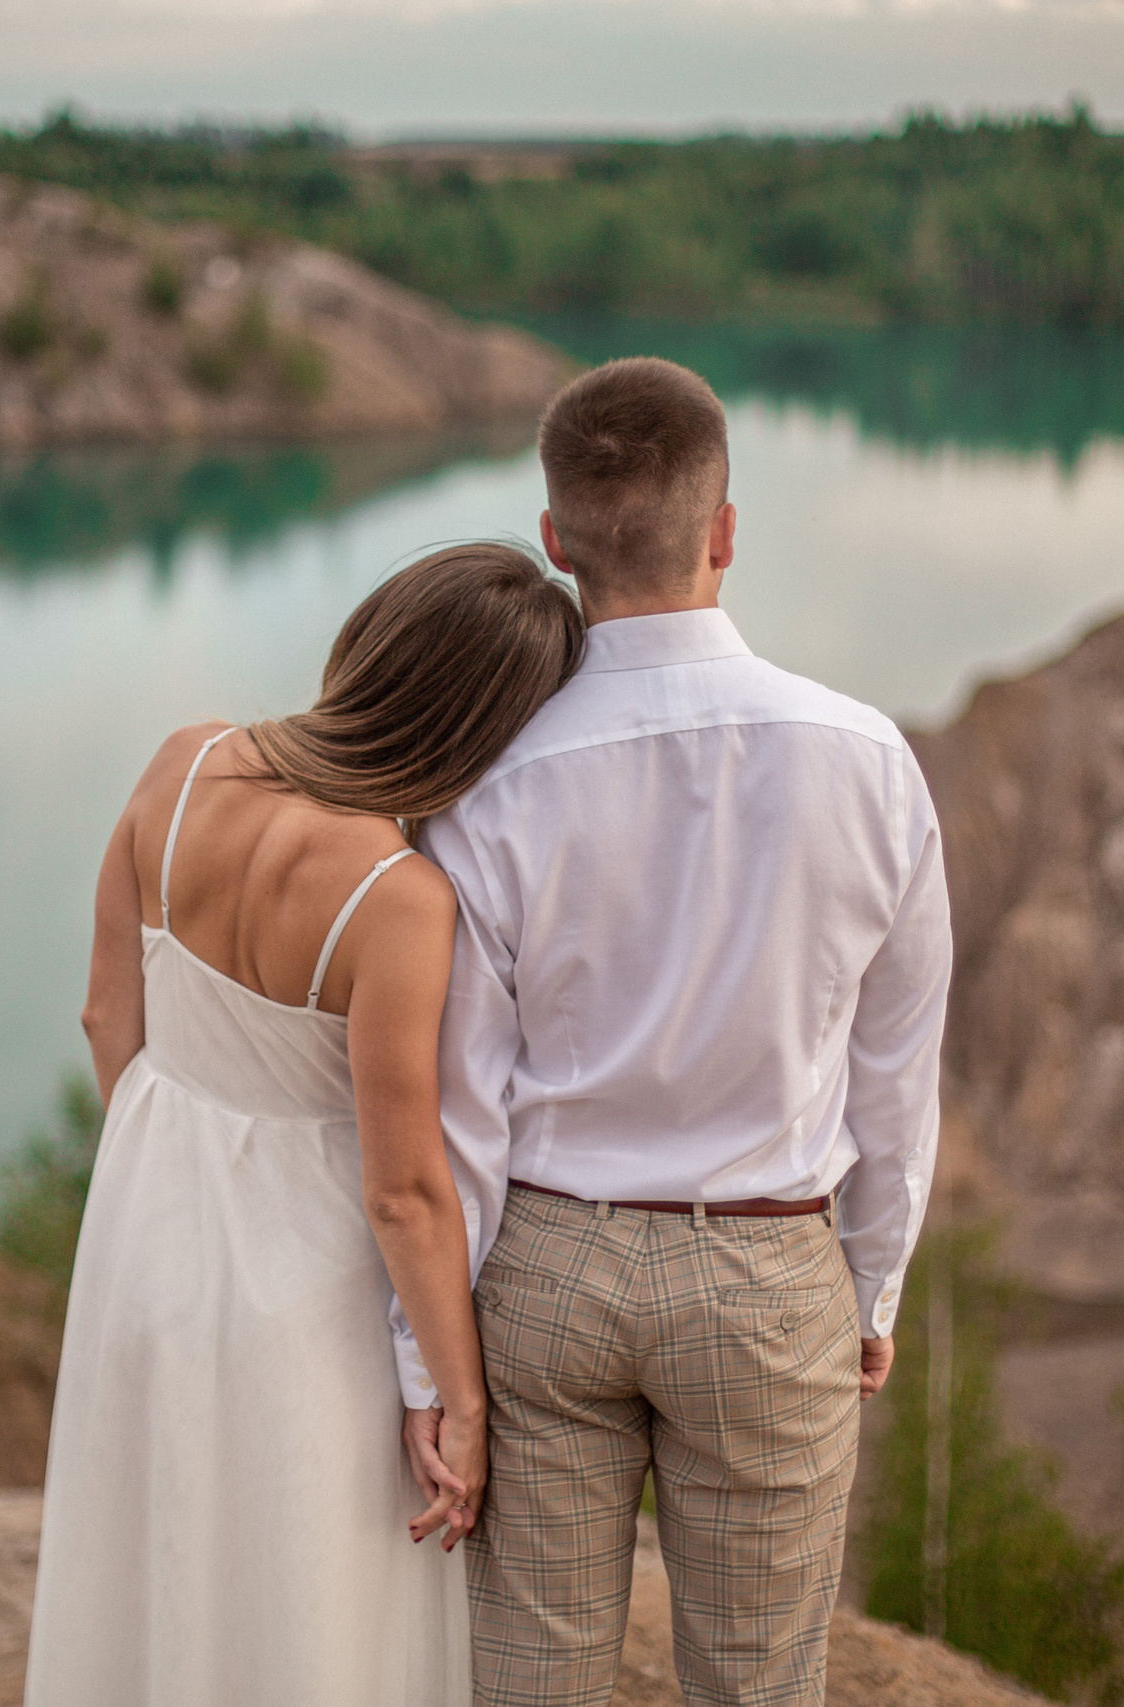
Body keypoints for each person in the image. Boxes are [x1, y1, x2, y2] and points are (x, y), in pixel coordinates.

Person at [402, 358, 952, 1707]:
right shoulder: (869, 760)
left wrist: (432, 1366)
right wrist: (871, 1284)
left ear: (555, 540)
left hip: (544, 1271)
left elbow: (459, 1109)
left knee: (530, 1685)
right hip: (768, 1272)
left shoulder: (488, 786)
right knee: (759, 1686)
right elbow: (895, 1072)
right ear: (725, 530)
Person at [23, 543, 586, 1707]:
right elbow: (404, 1193)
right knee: (308, 1602)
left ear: (367, 642)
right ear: (481, 733)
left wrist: (171, 1176)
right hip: (314, 1295)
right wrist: (462, 1400)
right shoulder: (400, 901)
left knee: (160, 1559)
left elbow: (105, 1019)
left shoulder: (183, 760)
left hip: (147, 1239)